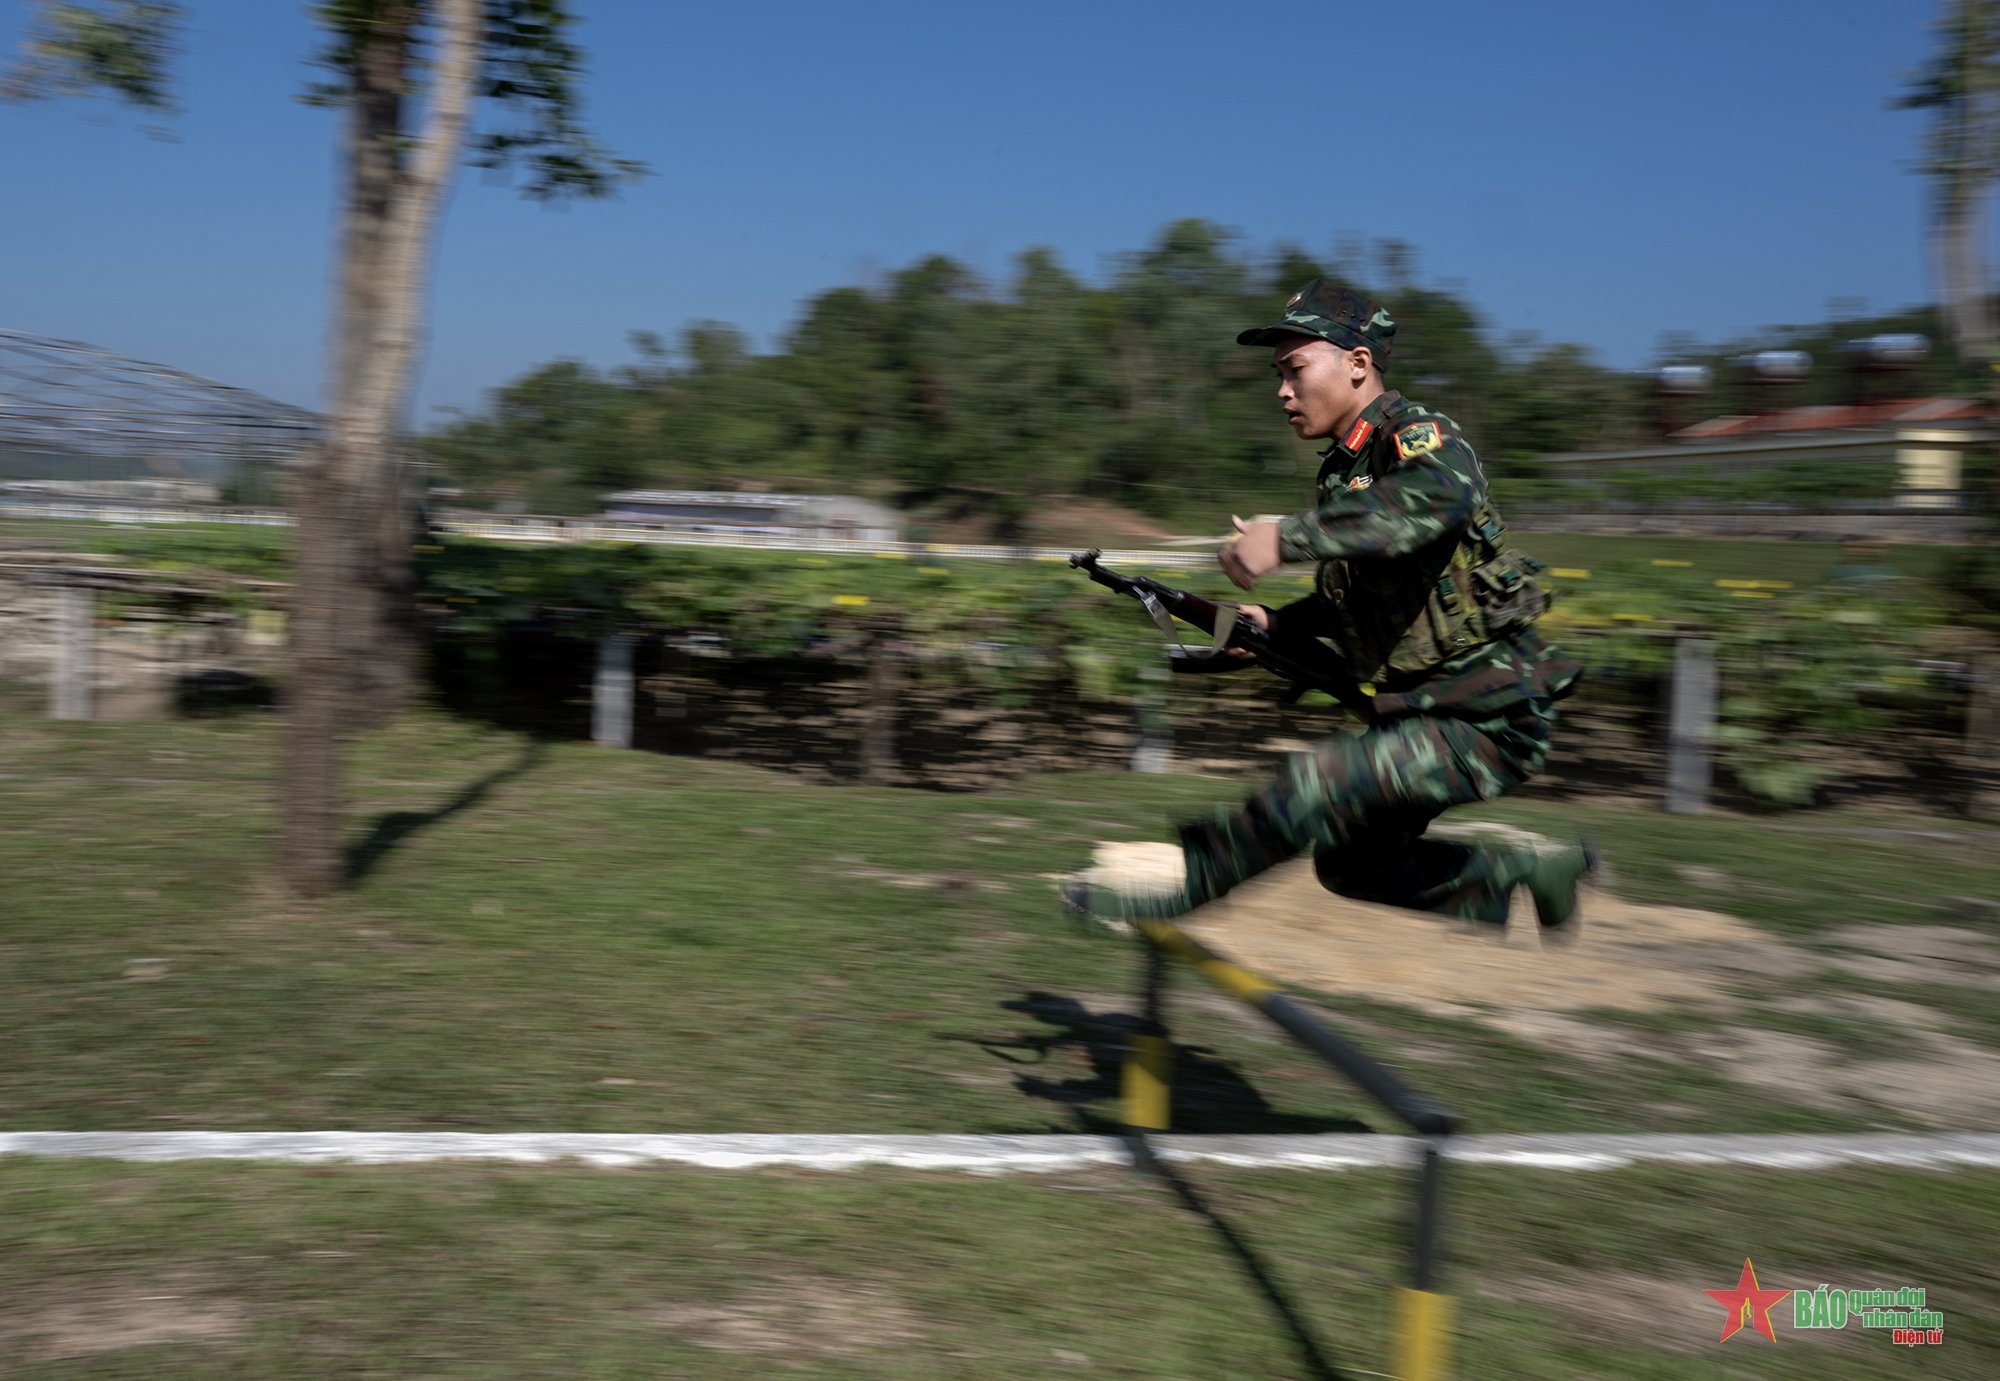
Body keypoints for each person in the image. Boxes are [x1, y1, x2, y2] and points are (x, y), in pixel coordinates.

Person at [1064, 279, 1594, 935]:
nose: (1282, 391)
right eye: (1277, 375)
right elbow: (1358, 596)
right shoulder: (1347, 473)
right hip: (1425, 716)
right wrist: (1276, 625)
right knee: (1352, 864)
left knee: (1316, 783)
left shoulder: (1418, 438)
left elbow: (1435, 501)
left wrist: (1283, 538)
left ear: (1358, 364)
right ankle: (1526, 873)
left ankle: (1183, 894)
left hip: (1489, 715)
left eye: (1295, 369)